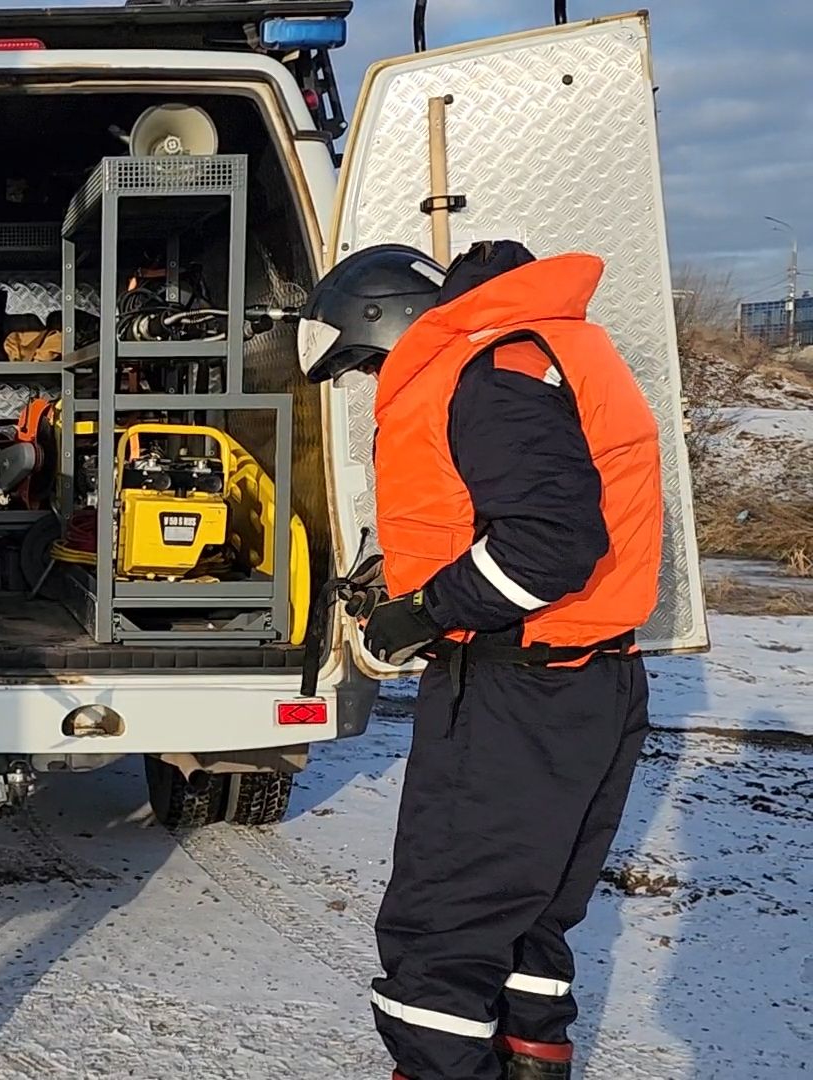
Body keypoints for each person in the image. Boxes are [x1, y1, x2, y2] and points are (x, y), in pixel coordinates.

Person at [297, 240, 661, 1080]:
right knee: (529, 922)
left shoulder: (485, 373)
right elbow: (524, 512)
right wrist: (414, 582)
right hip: (592, 679)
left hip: (514, 692)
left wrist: (424, 613)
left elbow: (548, 544)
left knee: (442, 940)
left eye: (364, 364)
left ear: (388, 322)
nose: (370, 383)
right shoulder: (550, 347)